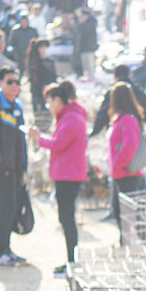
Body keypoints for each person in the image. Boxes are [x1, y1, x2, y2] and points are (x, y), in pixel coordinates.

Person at [28, 80, 87, 275]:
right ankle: (71, 261)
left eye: (49, 102)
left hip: (68, 175)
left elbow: (59, 143)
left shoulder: (70, 118)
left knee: (67, 219)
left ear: (58, 100)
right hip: (68, 173)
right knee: (67, 218)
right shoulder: (70, 116)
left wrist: (39, 139)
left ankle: (72, 262)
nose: (49, 106)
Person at [0, 66, 28, 266]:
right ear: (0, 83)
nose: (14, 86)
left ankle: (7, 250)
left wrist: (23, 167)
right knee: (5, 209)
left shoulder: (15, 105)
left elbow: (20, 140)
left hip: (16, 168)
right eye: (10, 81)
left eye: (17, 82)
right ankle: (0, 252)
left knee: (11, 208)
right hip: (2, 168)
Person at [107, 81, 146, 225]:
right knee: (123, 213)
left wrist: (117, 163)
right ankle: (129, 242)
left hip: (127, 173)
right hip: (121, 172)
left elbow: (130, 145)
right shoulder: (121, 119)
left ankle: (140, 242)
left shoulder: (127, 119)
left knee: (129, 214)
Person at [90, 64, 146, 137]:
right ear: (129, 75)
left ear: (114, 76)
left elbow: (103, 114)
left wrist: (94, 131)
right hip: (136, 133)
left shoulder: (111, 93)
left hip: (116, 134)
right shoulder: (139, 91)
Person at [26, 38, 57, 114]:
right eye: (42, 47)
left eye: (45, 47)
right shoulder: (35, 62)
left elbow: (53, 77)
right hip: (38, 93)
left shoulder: (50, 61)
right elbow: (34, 80)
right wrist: (38, 99)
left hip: (50, 94)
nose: (44, 49)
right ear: (38, 49)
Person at [73, 8, 98, 79]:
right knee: (84, 65)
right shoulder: (80, 23)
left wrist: (81, 23)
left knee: (90, 65)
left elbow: (85, 30)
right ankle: (86, 78)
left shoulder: (92, 22)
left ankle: (91, 78)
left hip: (89, 47)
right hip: (82, 47)